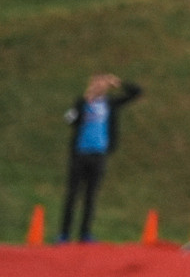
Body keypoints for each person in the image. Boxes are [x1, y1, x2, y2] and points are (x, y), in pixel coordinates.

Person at [60, 72, 140, 243]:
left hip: (99, 155)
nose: (99, 86)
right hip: (80, 154)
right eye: (96, 83)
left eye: (102, 84)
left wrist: (119, 82)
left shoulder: (110, 104)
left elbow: (136, 93)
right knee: (73, 194)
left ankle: (85, 233)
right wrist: (83, 104)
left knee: (91, 195)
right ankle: (64, 233)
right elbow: (68, 120)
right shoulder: (81, 103)